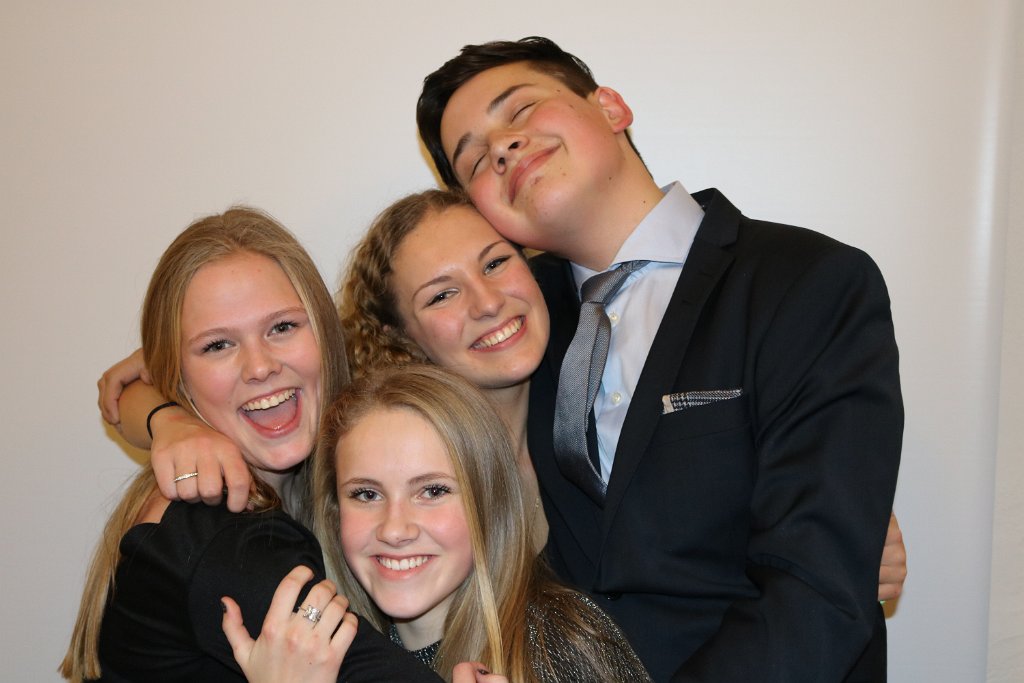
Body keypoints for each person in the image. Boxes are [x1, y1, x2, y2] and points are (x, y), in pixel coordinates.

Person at [415, 37, 904, 682]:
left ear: (611, 107)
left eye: (521, 109)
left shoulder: (807, 281)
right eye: (474, 158)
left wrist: (856, 525)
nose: (500, 147)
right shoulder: (510, 331)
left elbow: (816, 586)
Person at [61, 208, 439, 682]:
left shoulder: (303, 484)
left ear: (326, 335)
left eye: (282, 327)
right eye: (218, 346)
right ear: (176, 377)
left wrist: (163, 417)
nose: (260, 367)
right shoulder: (226, 539)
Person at [310, 363, 652, 681]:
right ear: (334, 510)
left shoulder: (561, 648)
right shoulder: (319, 663)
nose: (395, 530)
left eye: (432, 491)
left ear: (488, 501)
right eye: (367, 494)